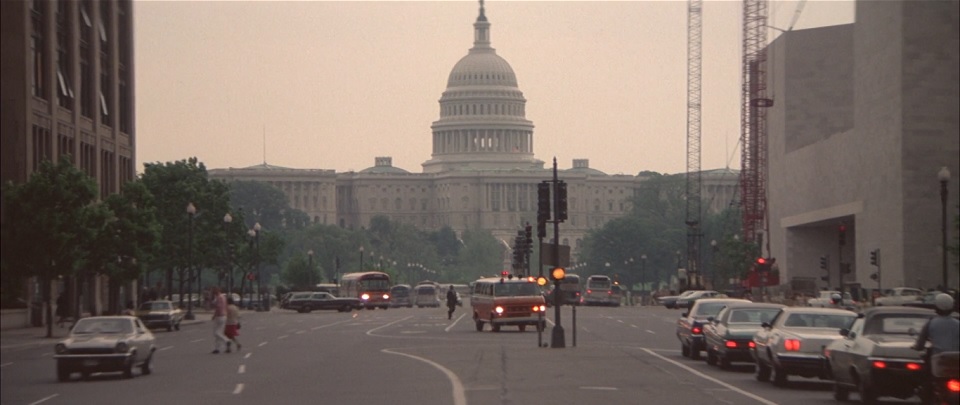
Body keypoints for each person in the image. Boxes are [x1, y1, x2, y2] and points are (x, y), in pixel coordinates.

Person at [210, 287, 229, 354]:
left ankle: (226, 340)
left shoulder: (218, 298)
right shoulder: (223, 297)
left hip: (219, 316)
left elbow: (218, 308)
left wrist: (214, 315)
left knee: (216, 333)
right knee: (220, 332)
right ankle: (217, 348)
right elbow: (226, 306)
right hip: (224, 315)